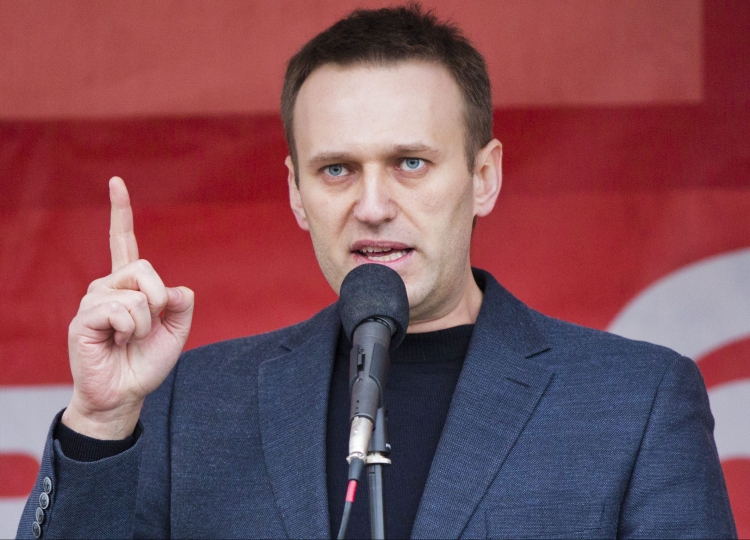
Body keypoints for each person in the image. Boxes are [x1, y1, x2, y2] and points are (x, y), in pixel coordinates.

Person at [18, 5, 736, 539]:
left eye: (410, 163)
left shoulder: (634, 401)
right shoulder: (188, 404)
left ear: (484, 177)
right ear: (296, 193)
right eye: (337, 169)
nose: (371, 205)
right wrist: (100, 422)